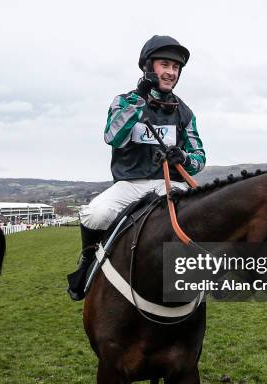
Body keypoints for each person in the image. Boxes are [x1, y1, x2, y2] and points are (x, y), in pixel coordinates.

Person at [67, 35, 206, 300]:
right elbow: (113, 137)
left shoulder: (185, 113)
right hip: (130, 184)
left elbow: (200, 157)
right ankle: (87, 262)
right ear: (148, 67)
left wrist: (184, 159)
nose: (170, 73)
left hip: (171, 184)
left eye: (175, 68)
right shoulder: (124, 102)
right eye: (165, 65)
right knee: (95, 214)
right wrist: (140, 101)